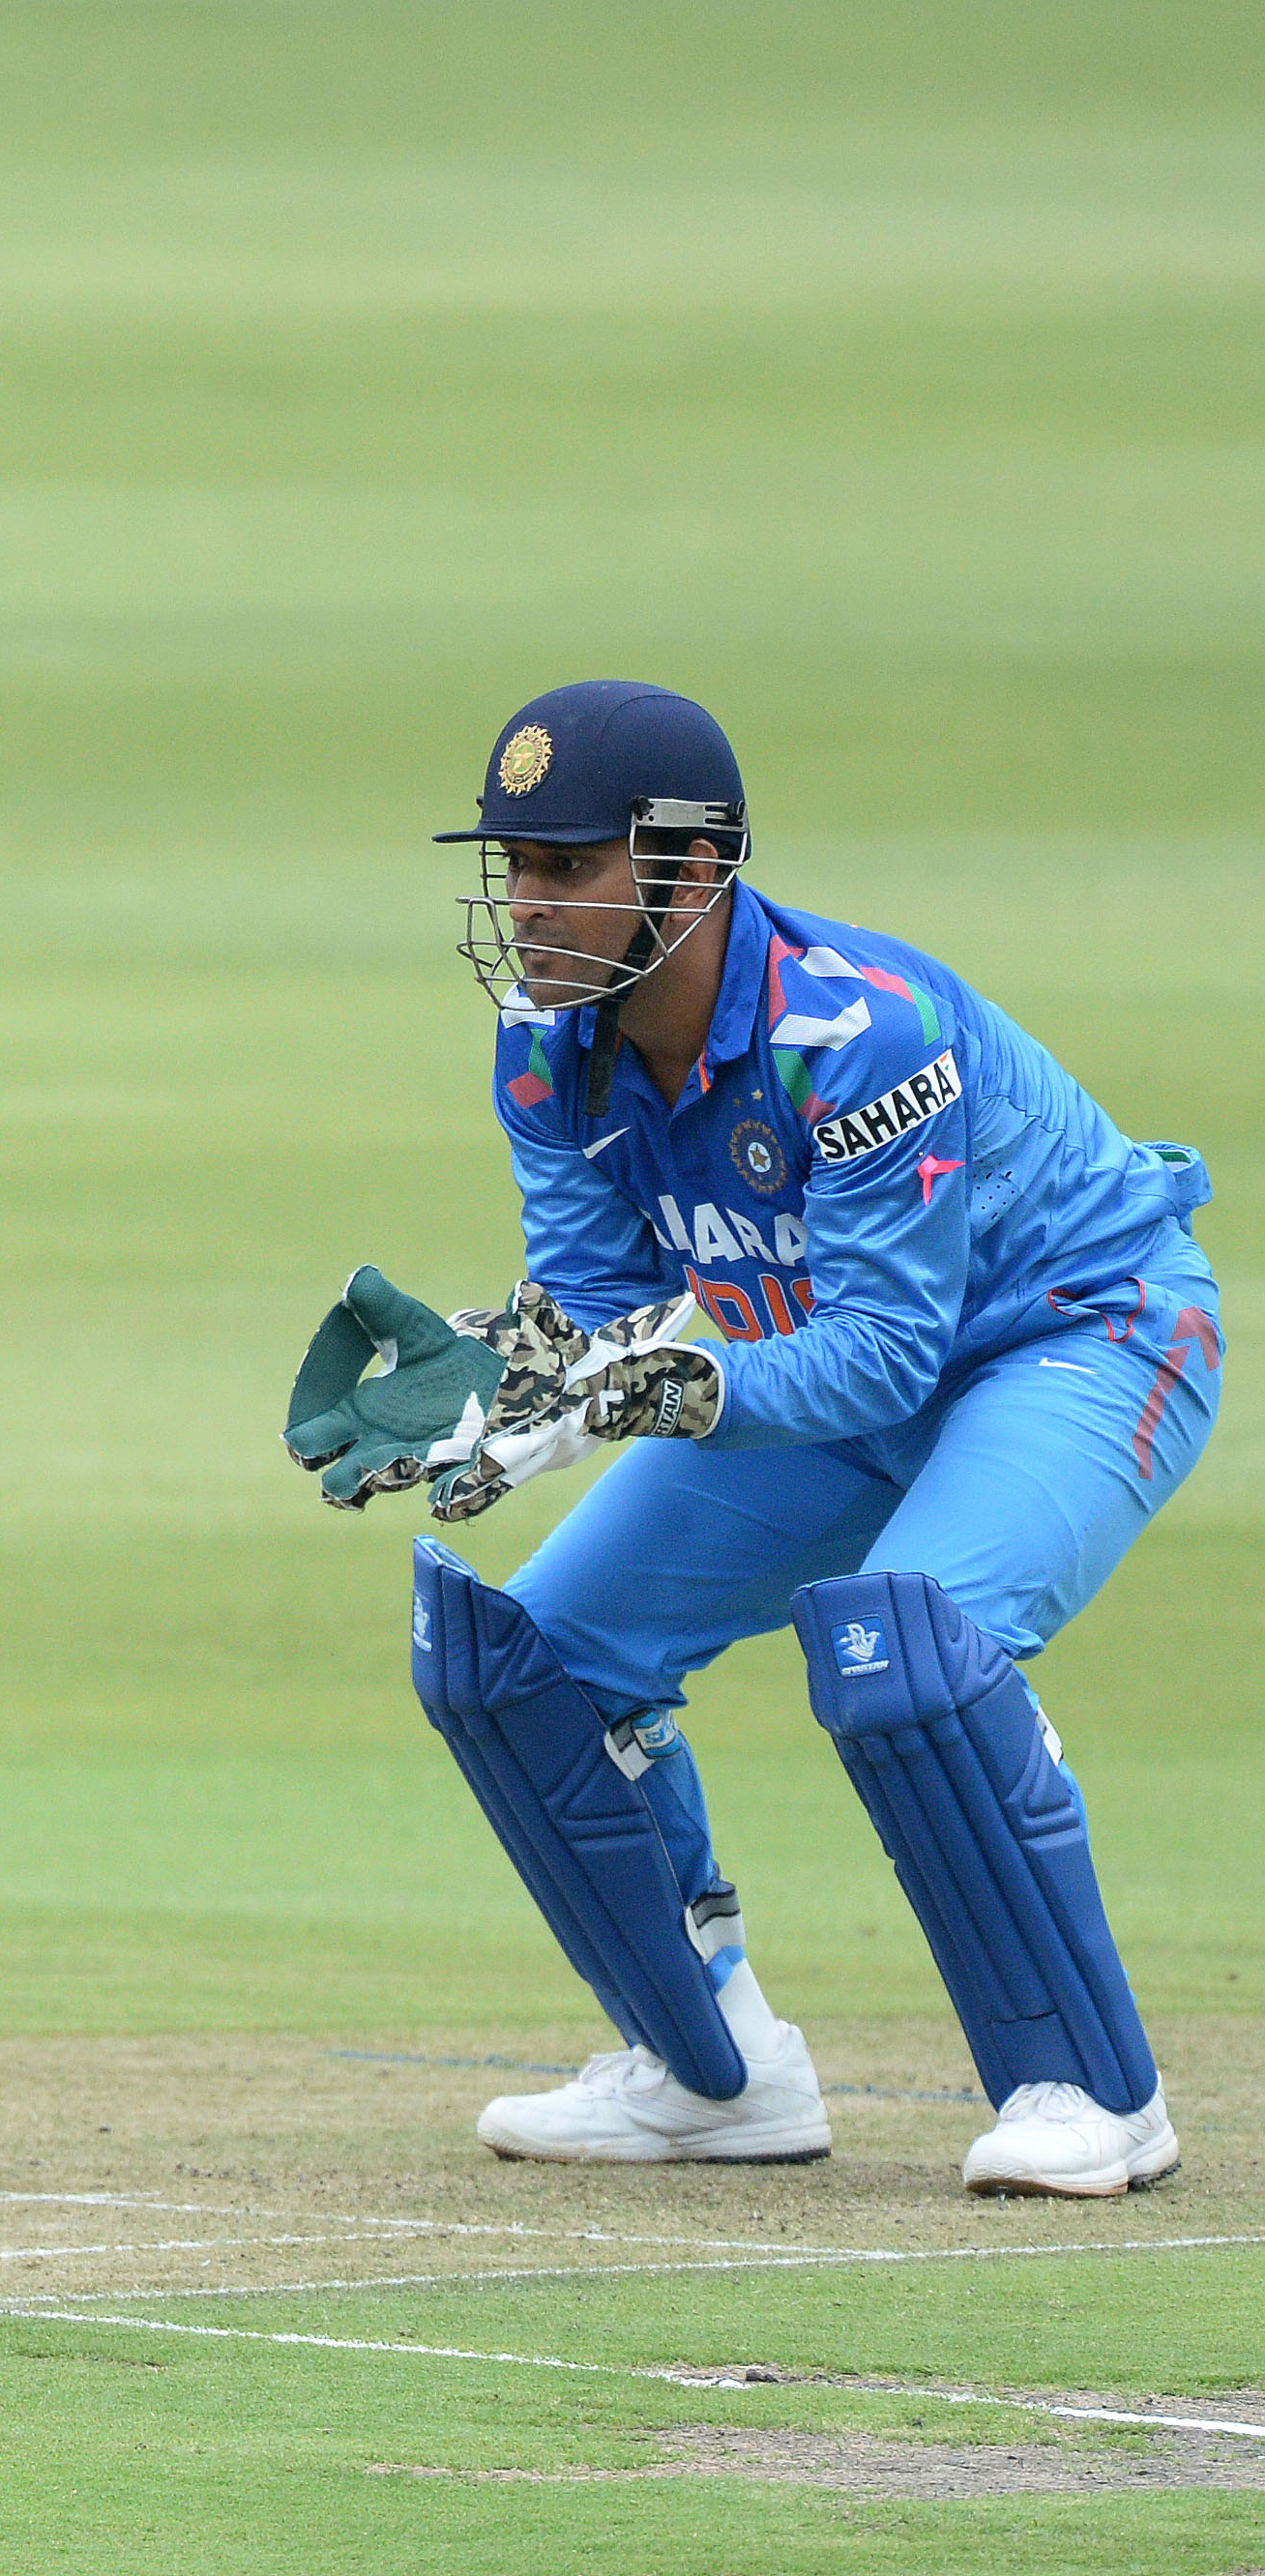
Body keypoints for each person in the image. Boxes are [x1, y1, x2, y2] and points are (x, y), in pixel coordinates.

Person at [284, 681, 1219, 2196]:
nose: (525, 906)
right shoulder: (544, 1047)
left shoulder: (856, 1031)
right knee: (526, 1661)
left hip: (1072, 1336)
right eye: (512, 867)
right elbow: (599, 1310)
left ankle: (1090, 2094)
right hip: (811, 1366)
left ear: (690, 867)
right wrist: (496, 1381)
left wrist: (648, 1390)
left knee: (905, 1649)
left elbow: (889, 1351)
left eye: (565, 866)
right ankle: (708, 2072)